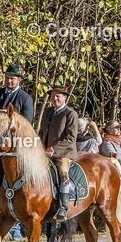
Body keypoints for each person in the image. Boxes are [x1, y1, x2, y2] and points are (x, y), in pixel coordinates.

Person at [39, 85, 79, 221]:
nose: (54, 98)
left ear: (65, 98)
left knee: (62, 172)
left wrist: (54, 149)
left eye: (58, 96)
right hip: (45, 151)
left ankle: (63, 206)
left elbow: (70, 138)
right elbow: (42, 132)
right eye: (52, 96)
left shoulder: (70, 113)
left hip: (64, 153)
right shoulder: (48, 111)